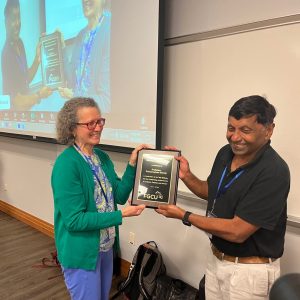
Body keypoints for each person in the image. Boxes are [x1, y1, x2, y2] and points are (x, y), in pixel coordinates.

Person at [156, 95, 290, 300]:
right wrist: (186, 176)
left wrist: (184, 215)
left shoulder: (274, 171)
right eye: (231, 128)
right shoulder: (225, 153)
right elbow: (212, 191)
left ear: (269, 129)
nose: (235, 137)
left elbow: (238, 231)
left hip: (249, 275)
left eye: (245, 130)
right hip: (217, 260)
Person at [51, 97, 146, 300]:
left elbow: (119, 195)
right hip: (81, 253)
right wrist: (120, 215)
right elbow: (75, 221)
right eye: (90, 123)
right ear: (72, 128)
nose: (98, 128)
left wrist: (131, 165)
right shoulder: (66, 165)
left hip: (105, 247)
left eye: (100, 121)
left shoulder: (101, 157)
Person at [58, 0, 110, 112]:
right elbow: (72, 79)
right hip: (78, 115)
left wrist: (74, 96)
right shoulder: (81, 35)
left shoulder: (110, 32)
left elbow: (106, 102)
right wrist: (62, 47)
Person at [1, 0, 52, 110]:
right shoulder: (7, 55)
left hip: (27, 113)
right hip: (15, 119)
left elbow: (25, 79)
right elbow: (17, 101)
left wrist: (37, 59)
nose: (18, 23)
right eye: (13, 19)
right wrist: (39, 95)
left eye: (19, 17)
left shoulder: (19, 43)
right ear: (6, 22)